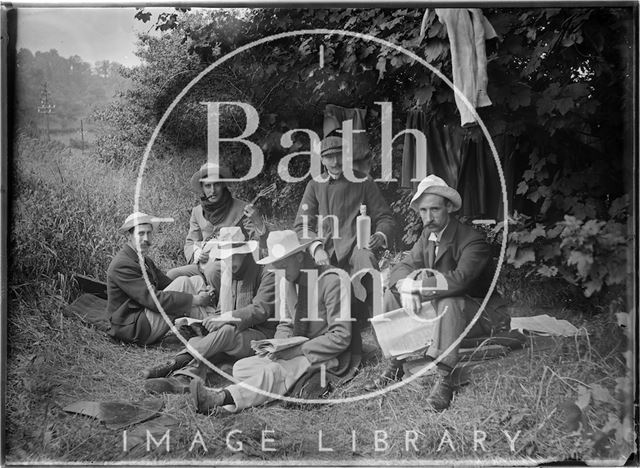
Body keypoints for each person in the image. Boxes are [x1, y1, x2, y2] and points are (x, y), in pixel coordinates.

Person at [365, 175, 500, 411]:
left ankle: (445, 377)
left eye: (435, 209)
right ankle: (397, 362)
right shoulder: (427, 236)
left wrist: (416, 288)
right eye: (424, 210)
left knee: (450, 298)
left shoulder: (472, 240)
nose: (428, 217)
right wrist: (403, 285)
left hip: (481, 315)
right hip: (444, 312)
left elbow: (459, 281)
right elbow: (402, 266)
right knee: (391, 294)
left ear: (449, 207)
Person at [190, 230, 353, 413]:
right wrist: (277, 347)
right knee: (241, 368)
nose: (280, 272)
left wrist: (297, 350)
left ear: (299, 257)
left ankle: (219, 398)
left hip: (327, 353)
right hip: (299, 347)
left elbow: (341, 336)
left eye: (283, 265)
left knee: (275, 371)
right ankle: (281, 384)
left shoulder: (332, 281)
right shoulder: (287, 281)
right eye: (277, 266)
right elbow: (286, 323)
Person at [142, 227, 277, 394]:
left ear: (245, 253)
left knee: (226, 331)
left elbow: (260, 310)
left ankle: (176, 362)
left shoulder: (267, 271)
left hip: (261, 338)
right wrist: (207, 321)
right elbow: (223, 311)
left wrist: (224, 319)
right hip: (237, 334)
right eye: (225, 258)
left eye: (233, 257)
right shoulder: (233, 270)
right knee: (205, 339)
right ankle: (184, 378)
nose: (228, 262)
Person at [293, 135, 395, 321]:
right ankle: (323, 328)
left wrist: (380, 235)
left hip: (357, 246)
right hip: (326, 249)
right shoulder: (315, 185)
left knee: (367, 260)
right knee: (310, 277)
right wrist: (316, 249)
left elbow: (385, 217)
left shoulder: (364, 181)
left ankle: (380, 322)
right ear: (322, 160)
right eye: (329, 157)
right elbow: (302, 225)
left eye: (340, 155)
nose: (336, 161)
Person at [107, 212, 215, 346]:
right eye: (140, 234)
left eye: (149, 233)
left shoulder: (144, 260)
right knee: (184, 282)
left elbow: (167, 284)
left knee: (195, 280)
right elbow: (153, 299)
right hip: (135, 328)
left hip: (145, 316)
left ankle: (209, 323)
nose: (146, 238)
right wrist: (194, 299)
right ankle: (214, 329)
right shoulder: (122, 264)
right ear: (129, 236)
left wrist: (198, 291)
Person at [166, 162, 268, 281]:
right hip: (203, 265)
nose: (213, 190)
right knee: (171, 275)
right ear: (202, 188)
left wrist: (257, 221)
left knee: (212, 270)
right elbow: (190, 242)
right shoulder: (197, 212)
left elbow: (257, 243)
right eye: (208, 186)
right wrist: (196, 252)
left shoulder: (241, 208)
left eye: (217, 185)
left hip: (232, 264)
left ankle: (213, 297)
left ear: (223, 185)